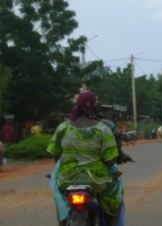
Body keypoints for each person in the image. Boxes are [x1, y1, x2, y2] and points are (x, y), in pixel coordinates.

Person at [47, 92, 129, 226]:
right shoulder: (103, 129)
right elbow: (110, 161)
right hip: (96, 181)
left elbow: (56, 157)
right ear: (95, 107)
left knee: (59, 198)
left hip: (67, 180)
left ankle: (62, 223)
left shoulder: (62, 128)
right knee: (117, 194)